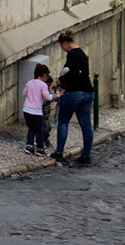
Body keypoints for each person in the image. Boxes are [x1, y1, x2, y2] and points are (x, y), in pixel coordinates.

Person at [50, 29, 95, 166]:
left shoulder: (72, 54)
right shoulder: (82, 53)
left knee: (63, 121)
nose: (62, 49)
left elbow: (74, 73)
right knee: (86, 125)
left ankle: (59, 152)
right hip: (88, 92)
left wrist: (60, 80)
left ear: (64, 44)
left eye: (61, 47)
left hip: (75, 93)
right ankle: (86, 155)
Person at [22, 63, 55, 155]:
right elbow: (47, 97)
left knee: (31, 129)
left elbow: (24, 93)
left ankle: (29, 146)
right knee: (39, 130)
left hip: (26, 110)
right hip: (36, 111)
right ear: (44, 75)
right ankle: (40, 148)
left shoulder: (29, 82)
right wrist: (58, 95)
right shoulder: (43, 85)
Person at [41, 74, 55, 148]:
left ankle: (45, 139)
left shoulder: (47, 90)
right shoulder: (43, 91)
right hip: (42, 113)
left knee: (48, 128)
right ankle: (41, 141)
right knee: (45, 128)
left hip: (46, 113)